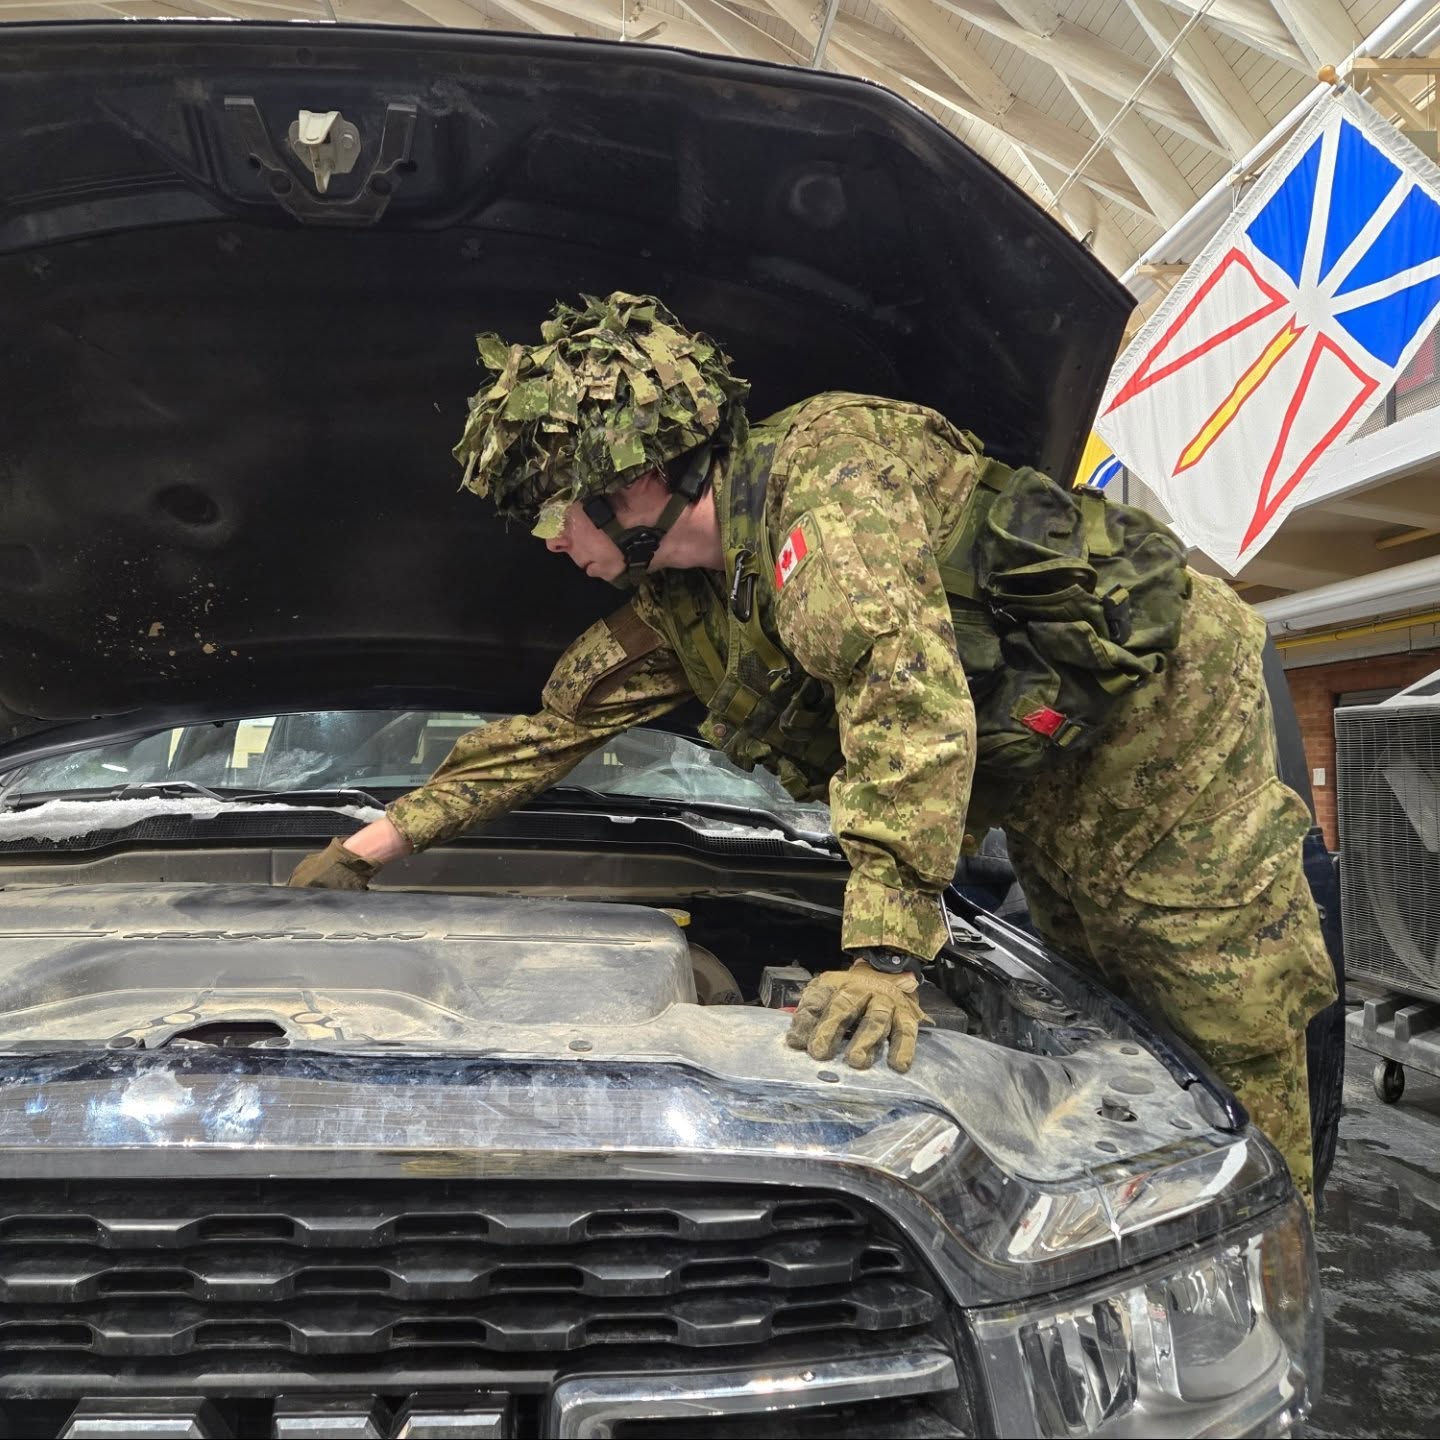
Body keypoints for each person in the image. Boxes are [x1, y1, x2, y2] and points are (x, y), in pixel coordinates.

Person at [289, 291, 1336, 1202]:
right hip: (1038, 764)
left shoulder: (825, 481)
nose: (551, 543)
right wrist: (369, 849)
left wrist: (885, 953)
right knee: (1099, 997)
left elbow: (904, 693)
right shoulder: (691, 603)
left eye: (553, 515)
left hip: (1163, 716)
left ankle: (1262, 1254)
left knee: (1210, 988)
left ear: (634, 484)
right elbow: (551, 731)